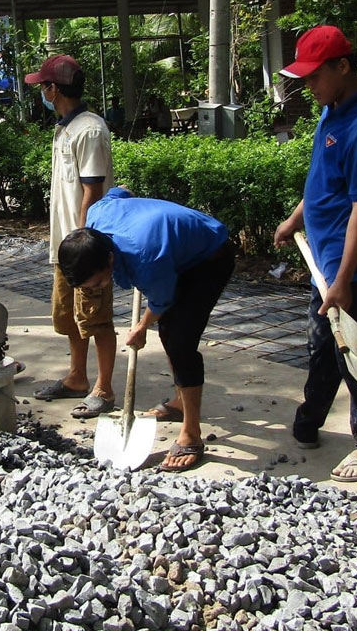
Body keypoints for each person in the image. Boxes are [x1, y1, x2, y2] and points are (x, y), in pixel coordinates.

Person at [271, 25, 357, 483]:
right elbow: (324, 184)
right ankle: (310, 419)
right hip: (324, 262)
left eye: (313, 77)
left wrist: (345, 279)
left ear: (342, 66)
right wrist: (294, 220)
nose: (308, 87)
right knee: (323, 346)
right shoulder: (334, 108)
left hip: (356, 270)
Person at [58, 187, 234, 473]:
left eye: (100, 283)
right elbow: (119, 192)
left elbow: (161, 301)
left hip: (209, 257)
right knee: (169, 332)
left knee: (179, 338)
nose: (99, 289)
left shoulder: (146, 258)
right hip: (172, 249)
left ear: (110, 260)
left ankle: (192, 435)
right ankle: (179, 401)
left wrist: (140, 327)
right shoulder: (96, 215)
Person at [23, 55, 118, 420]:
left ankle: (104, 389)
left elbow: (91, 192)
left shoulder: (90, 130)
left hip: (83, 248)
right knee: (69, 317)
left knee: (96, 318)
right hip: (65, 246)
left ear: (54, 89)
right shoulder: (65, 128)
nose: (40, 94)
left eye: (42, 87)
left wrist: (82, 244)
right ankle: (77, 377)